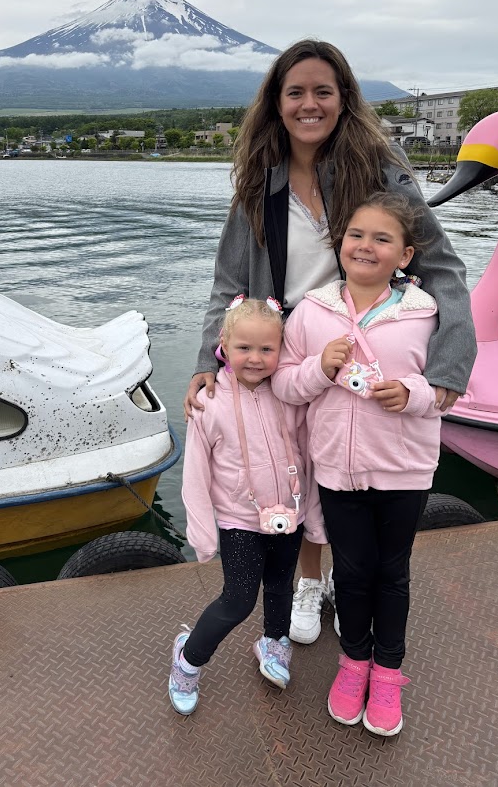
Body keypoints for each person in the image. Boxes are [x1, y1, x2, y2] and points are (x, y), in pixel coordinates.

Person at [183, 39, 476, 646]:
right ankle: (309, 581)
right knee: (303, 464)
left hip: (365, 341)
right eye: (295, 92)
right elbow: (229, 282)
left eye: (323, 91)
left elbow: (441, 267)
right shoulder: (259, 182)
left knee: (353, 464)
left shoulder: (380, 168)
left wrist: (449, 365)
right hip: (290, 349)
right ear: (276, 101)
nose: (309, 104)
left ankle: (345, 578)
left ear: (345, 98)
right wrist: (207, 361)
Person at [272, 191, 443, 736]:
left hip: (404, 467)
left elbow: (449, 385)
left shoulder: (427, 316)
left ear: (406, 256)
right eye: (356, 235)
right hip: (337, 472)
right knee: (350, 569)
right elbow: (285, 383)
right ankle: (353, 664)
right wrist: (320, 369)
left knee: (392, 572)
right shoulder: (311, 311)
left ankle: (388, 672)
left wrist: (412, 394)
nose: (366, 246)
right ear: (339, 243)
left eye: (382, 238)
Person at [168, 298, 327, 715]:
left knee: (280, 588)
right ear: (223, 344)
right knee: (237, 600)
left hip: (287, 515)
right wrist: (202, 533)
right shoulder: (209, 402)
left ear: (281, 349)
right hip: (240, 520)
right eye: (244, 348)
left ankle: (274, 644)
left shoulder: (290, 396)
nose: (255, 359)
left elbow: (308, 454)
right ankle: (188, 659)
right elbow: (196, 474)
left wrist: (312, 514)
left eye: (266, 349)